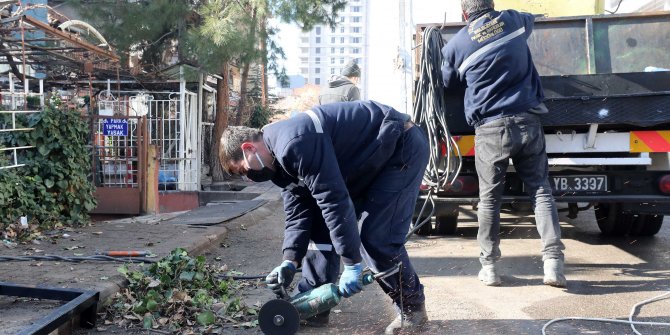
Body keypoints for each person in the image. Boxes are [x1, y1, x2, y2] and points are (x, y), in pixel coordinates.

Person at [219, 101, 429, 334]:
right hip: (367, 161)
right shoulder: (277, 162)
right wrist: (290, 260)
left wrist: (351, 263)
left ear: (249, 149)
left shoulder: (293, 143)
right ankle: (315, 304)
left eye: (242, 170)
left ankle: (413, 309)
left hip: (399, 147)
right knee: (318, 228)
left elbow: (334, 201)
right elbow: (298, 213)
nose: (248, 178)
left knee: (378, 238)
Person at [441, 0, 566, 287]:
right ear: (493, 4)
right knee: (541, 191)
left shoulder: (456, 46)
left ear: (464, 14)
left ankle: (490, 268)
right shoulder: (513, 20)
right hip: (528, 122)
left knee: (490, 200)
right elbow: (532, 19)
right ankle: (553, 265)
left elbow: (447, 83)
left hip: (490, 129)